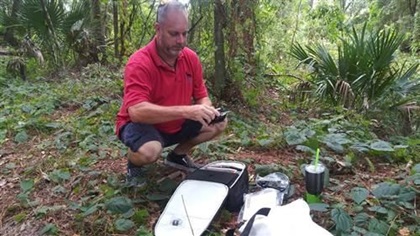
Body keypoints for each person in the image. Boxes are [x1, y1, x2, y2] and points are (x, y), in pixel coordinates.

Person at [115, 1, 227, 187]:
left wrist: (206, 109)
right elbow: (136, 112)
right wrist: (187, 112)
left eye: (184, 34)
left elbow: (202, 95)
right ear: (158, 29)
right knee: (150, 151)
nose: (181, 40)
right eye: (174, 34)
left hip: (176, 124)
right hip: (141, 125)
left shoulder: (190, 58)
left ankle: (177, 156)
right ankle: (134, 163)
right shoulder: (140, 62)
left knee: (219, 122)